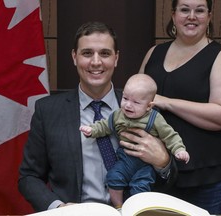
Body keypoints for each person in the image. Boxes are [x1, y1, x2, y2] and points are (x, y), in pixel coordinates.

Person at [18, 21, 178, 212]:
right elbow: (29, 177)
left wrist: (163, 163)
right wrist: (59, 208)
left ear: (116, 58)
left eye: (105, 53)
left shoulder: (145, 109)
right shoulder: (48, 111)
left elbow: (170, 178)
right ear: (74, 57)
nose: (96, 62)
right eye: (87, 53)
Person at [138, 0, 221, 214]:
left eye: (200, 10)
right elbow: (135, 101)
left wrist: (167, 102)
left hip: (208, 176)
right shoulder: (154, 53)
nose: (192, 16)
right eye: (185, 9)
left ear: (209, 16)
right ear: (174, 14)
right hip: (157, 172)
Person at [80, 73, 189, 209]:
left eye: (136, 102)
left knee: (141, 186)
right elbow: (104, 126)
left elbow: (170, 136)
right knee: (113, 178)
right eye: (125, 98)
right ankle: (119, 207)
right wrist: (91, 130)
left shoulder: (155, 118)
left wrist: (179, 149)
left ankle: (134, 210)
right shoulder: (118, 115)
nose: (128, 105)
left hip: (146, 164)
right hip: (125, 159)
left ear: (149, 106)